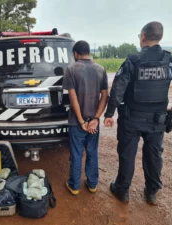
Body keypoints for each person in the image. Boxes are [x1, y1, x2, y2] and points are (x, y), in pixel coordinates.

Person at [104, 21, 172, 205]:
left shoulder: (133, 61)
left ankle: (122, 190)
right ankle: (152, 192)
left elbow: (117, 90)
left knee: (127, 154)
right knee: (154, 154)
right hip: (157, 120)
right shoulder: (171, 61)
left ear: (143, 37)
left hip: (131, 118)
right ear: (160, 37)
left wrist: (109, 114)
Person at [63, 41, 108, 195]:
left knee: (76, 153)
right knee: (92, 151)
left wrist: (81, 121)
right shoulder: (100, 69)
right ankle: (92, 184)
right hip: (94, 122)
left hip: (77, 122)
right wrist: (95, 119)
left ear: (75, 54)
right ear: (88, 52)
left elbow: (72, 96)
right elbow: (104, 96)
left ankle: (74, 186)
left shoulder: (70, 69)